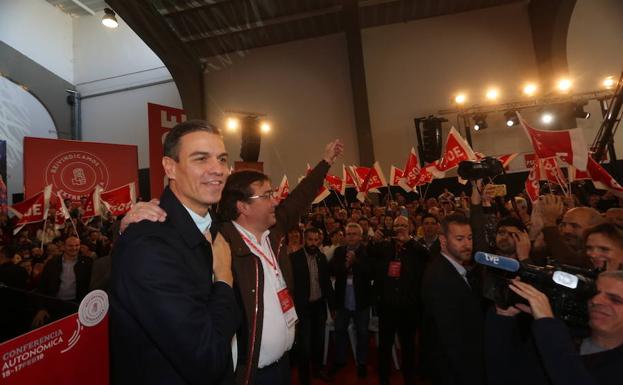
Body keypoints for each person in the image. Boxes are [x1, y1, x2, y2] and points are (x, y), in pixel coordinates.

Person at [123, 139, 343, 385]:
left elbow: (301, 196)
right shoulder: (222, 240)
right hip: (248, 375)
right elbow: (173, 239)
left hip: (283, 367)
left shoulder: (276, 231)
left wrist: (326, 162)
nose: (276, 201)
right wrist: (129, 225)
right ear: (242, 206)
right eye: (267, 195)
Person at [110, 120, 241, 385]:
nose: (218, 170)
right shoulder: (148, 246)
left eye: (222, 159)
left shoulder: (214, 228)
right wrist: (224, 280)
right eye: (201, 159)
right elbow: (207, 358)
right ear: (170, 167)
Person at [486, 271, 623, 385]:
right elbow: (504, 376)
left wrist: (547, 323)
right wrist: (504, 318)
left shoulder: (553, 336)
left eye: (615, 300)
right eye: (593, 294)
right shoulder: (566, 337)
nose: (596, 301)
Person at [421, 214, 485, 385]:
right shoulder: (440, 277)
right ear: (443, 240)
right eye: (459, 239)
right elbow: (450, 339)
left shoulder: (451, 268)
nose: (467, 245)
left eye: (470, 238)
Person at [369, 215, 429, 385]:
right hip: (387, 305)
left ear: (410, 228)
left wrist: (409, 241)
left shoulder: (416, 247)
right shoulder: (385, 246)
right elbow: (369, 254)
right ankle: (384, 378)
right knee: (385, 346)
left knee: (408, 346)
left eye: (404, 225)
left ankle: (409, 378)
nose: (400, 228)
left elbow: (428, 257)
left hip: (408, 306)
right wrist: (373, 241)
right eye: (397, 226)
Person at [289, 227, 335, 385]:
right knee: (305, 346)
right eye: (310, 240)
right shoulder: (294, 258)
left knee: (319, 342)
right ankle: (304, 378)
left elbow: (327, 284)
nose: (313, 243)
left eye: (316, 240)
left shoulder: (321, 257)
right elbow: (290, 286)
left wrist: (332, 307)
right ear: (304, 239)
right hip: (303, 309)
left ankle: (317, 371)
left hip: (319, 307)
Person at [329, 222, 374, 378]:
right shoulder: (338, 251)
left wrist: (357, 262)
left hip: (361, 300)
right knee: (340, 331)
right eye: (348, 234)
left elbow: (371, 273)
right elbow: (333, 270)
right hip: (342, 300)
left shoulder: (367, 251)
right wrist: (347, 264)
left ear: (360, 237)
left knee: (362, 333)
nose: (351, 237)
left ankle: (361, 363)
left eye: (354, 234)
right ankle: (340, 360)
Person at [32, 236, 93, 327]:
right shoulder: (52, 263)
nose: (74, 248)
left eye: (77, 245)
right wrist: (41, 308)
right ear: (63, 247)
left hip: (77, 306)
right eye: (70, 246)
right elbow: (42, 286)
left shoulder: (88, 262)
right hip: (54, 306)